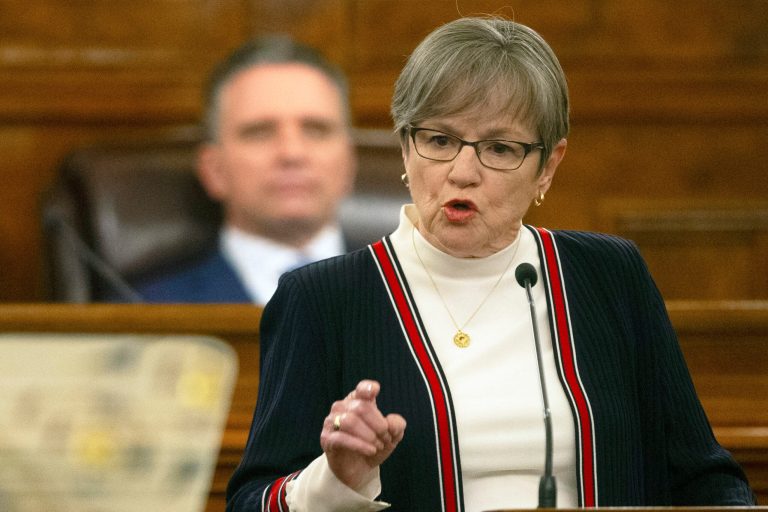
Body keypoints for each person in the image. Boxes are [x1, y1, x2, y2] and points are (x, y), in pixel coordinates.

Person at [226, 17, 756, 511]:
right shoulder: (324, 299)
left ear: (548, 166)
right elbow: (252, 499)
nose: (462, 172)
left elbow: (704, 478)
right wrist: (337, 478)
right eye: (439, 140)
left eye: (500, 149)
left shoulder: (609, 276)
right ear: (406, 149)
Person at [133, 36, 357, 303]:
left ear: (349, 163)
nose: (292, 153)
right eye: (259, 133)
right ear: (214, 169)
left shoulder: (414, 291)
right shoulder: (146, 311)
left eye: (316, 130)